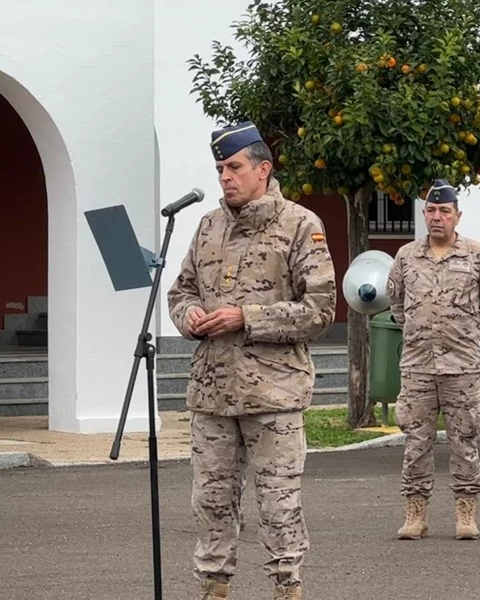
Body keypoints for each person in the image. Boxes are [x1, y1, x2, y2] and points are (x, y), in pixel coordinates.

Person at [166, 121, 336, 600]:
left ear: (263, 169)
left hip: (273, 392)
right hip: (213, 390)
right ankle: (214, 586)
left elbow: (320, 310)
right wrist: (189, 314)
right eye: (220, 167)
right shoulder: (208, 226)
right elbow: (180, 290)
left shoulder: (301, 225)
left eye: (234, 167)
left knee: (279, 502)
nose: (225, 177)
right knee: (211, 499)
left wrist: (246, 317)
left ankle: (287, 587)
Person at [385, 179, 480, 541]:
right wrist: (422, 334)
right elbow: (397, 305)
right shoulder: (406, 256)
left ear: (457, 216)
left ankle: (465, 512)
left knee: (464, 439)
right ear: (424, 214)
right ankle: (415, 513)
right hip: (418, 367)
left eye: (444, 211)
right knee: (415, 442)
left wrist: (466, 336)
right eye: (431, 211)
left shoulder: (478, 255)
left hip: (461, 367)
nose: (437, 217)